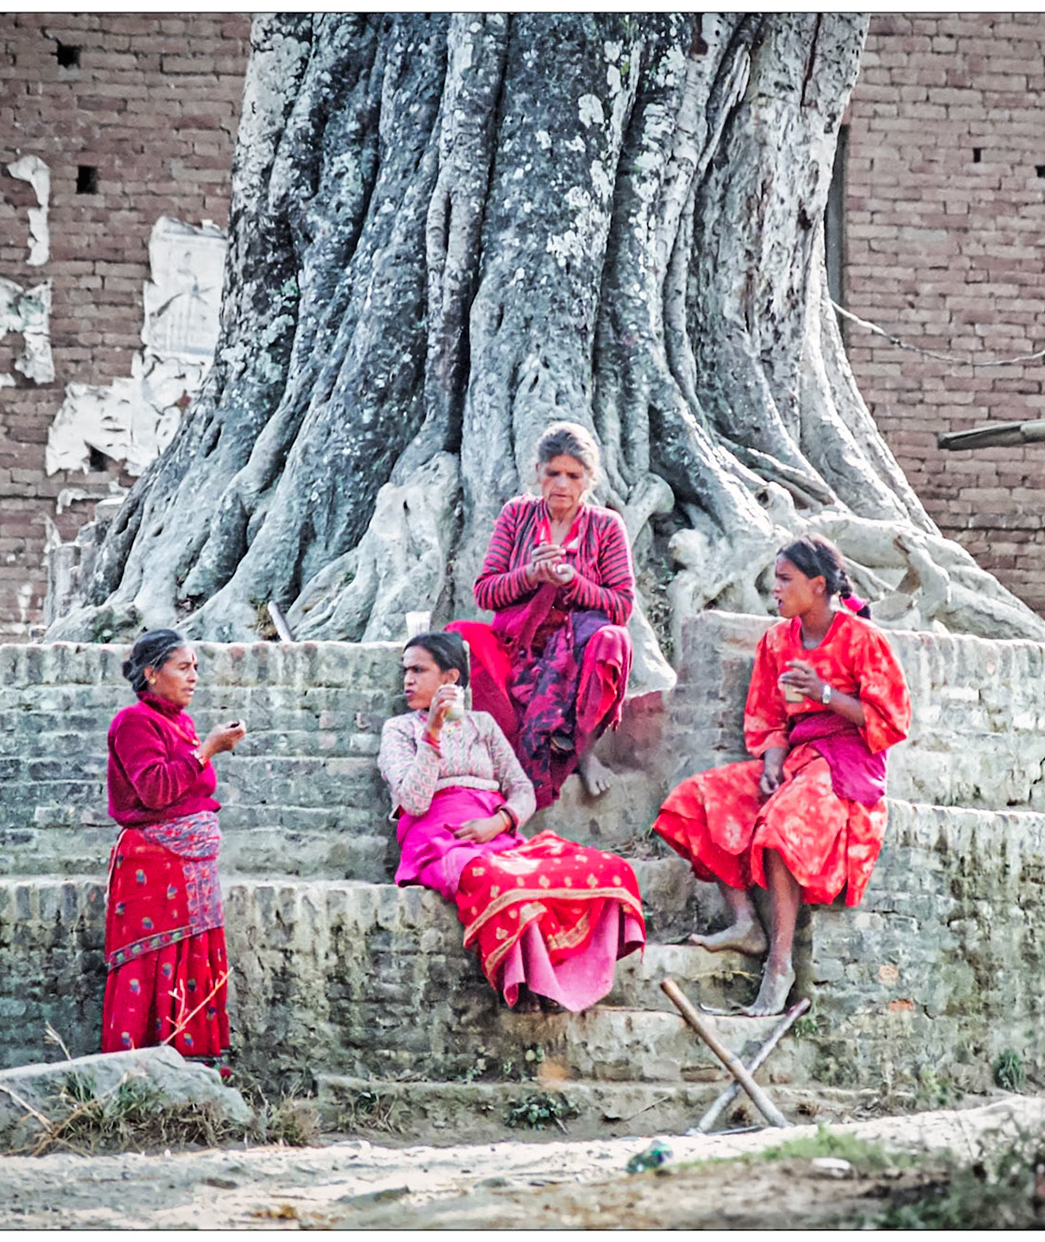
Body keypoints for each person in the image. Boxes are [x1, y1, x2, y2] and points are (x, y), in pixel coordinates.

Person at [652, 536, 911, 1015]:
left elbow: (892, 719)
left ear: (817, 587)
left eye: (785, 580)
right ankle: (745, 921)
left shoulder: (862, 640)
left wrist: (826, 693)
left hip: (847, 763)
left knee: (780, 827)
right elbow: (767, 719)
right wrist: (771, 765)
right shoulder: (777, 641)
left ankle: (779, 964)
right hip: (794, 759)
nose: (775, 588)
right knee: (697, 798)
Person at [379, 632, 645, 1012]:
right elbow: (414, 801)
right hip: (438, 840)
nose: (407, 680)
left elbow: (523, 790)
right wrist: (432, 733)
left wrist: (500, 822)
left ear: (451, 678)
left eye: (419, 670)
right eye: (405, 671)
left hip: (496, 835)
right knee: (501, 882)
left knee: (609, 869)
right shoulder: (400, 730)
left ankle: (558, 981)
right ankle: (533, 985)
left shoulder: (482, 726)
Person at [448, 421, 634, 808]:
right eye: (553, 474)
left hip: (576, 651)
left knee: (612, 641)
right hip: (517, 645)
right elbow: (484, 591)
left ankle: (583, 749)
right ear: (538, 473)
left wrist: (574, 583)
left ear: (589, 480)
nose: (561, 484)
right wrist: (530, 575)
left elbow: (621, 606)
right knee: (459, 637)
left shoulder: (606, 526)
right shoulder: (517, 514)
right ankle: (498, 749)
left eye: (572, 475)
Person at [102, 629, 247, 1063]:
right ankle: (139, 1073)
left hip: (190, 864)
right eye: (183, 668)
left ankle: (195, 1069)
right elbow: (155, 789)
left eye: (195, 668)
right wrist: (207, 750)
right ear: (151, 673)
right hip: (154, 864)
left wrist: (204, 748)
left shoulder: (178, 723)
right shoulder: (134, 722)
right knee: (155, 964)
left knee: (192, 960)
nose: (193, 678)